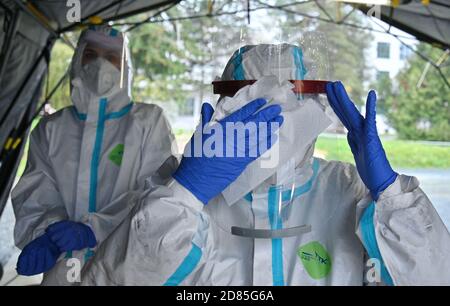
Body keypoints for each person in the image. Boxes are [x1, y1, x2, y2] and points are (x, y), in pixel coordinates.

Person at [81, 44, 450, 286]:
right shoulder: (179, 191)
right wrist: (186, 193)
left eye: (289, 98)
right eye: (249, 98)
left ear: (316, 108)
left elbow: (434, 276)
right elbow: (111, 279)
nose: (272, 117)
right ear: (224, 107)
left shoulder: (348, 191)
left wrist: (393, 196)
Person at [11, 25, 180, 285]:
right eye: (91, 54)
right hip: (63, 269)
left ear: (125, 67)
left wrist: (94, 229)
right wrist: (45, 234)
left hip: (127, 267)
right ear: (78, 59)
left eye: (112, 57)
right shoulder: (51, 129)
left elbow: (159, 196)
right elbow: (35, 194)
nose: (101, 64)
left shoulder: (148, 121)